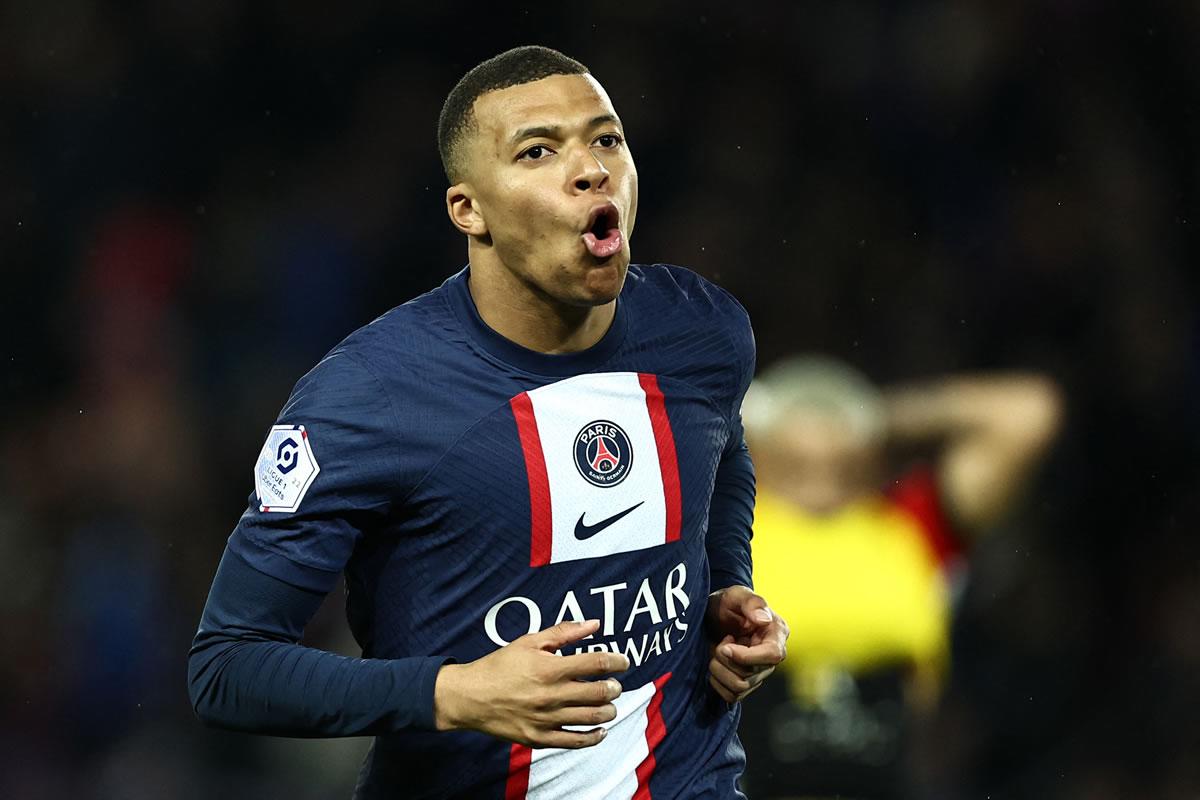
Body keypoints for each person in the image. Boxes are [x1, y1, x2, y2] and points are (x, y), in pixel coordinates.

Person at [187, 45, 788, 800]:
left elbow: (725, 449)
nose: (591, 169)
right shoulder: (371, 393)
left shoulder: (702, 333)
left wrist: (727, 586)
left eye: (606, 139)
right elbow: (227, 668)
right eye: (538, 151)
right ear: (469, 210)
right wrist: (455, 694)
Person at [736, 356, 1062, 799]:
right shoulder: (722, 524)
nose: (818, 463)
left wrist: (869, 412)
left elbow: (1026, 412)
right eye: (796, 454)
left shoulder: (911, 524)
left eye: (835, 453)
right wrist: (736, 405)